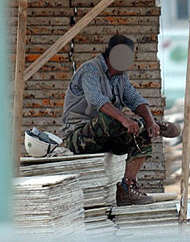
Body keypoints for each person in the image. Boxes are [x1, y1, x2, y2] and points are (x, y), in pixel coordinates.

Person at [61, 34, 180, 206]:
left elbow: (136, 100)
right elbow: (97, 100)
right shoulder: (90, 70)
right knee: (109, 117)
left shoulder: (120, 78)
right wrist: (125, 120)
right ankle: (142, 125)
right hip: (78, 137)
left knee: (143, 133)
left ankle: (127, 188)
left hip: (106, 137)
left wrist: (150, 121)